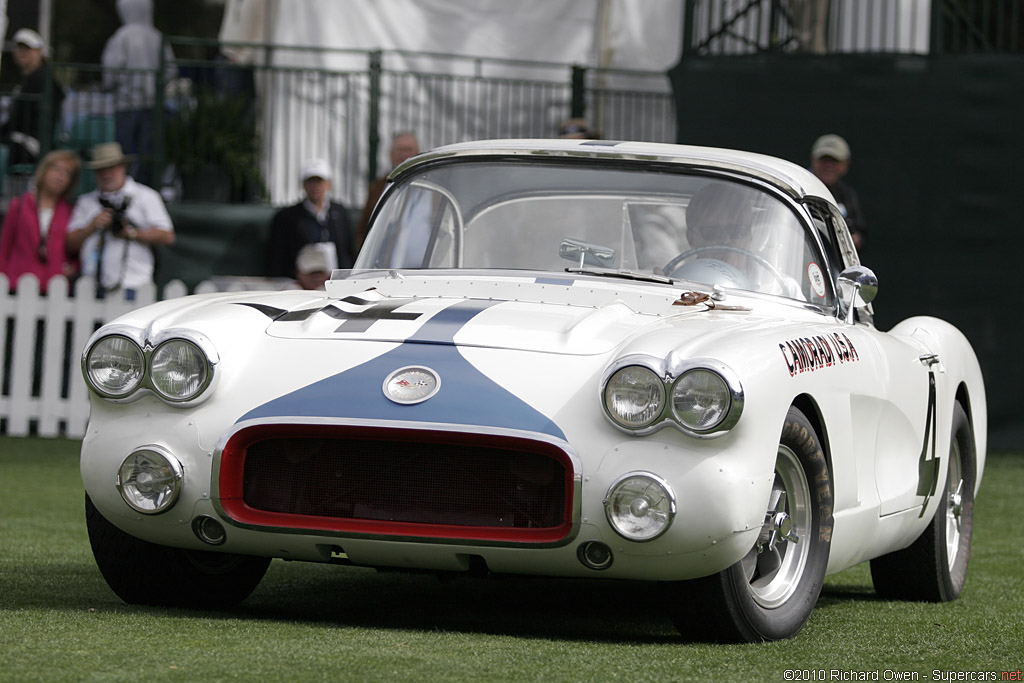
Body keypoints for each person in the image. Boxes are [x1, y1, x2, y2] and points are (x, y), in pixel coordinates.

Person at [65, 142, 175, 298]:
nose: (106, 174)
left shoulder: (145, 196)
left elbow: (167, 235)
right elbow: (70, 243)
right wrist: (92, 226)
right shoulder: (86, 202)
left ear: (123, 168)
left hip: (134, 283)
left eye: (111, 168)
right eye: (101, 170)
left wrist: (132, 233)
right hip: (91, 285)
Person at [101, 0, 177, 186]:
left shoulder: (121, 37)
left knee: (125, 153)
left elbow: (110, 74)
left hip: (127, 105)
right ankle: (146, 189)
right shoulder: (158, 37)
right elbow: (171, 70)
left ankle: (125, 189)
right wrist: (155, 86)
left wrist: (120, 84)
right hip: (153, 105)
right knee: (148, 155)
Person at [0, 149, 81, 292]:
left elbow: (75, 250)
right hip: (18, 284)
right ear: (44, 170)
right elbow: (5, 247)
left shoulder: (71, 211)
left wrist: (72, 268)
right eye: (56, 169)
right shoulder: (18, 206)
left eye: (67, 173)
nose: (60, 176)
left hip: (55, 287)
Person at [266, 159, 354, 279]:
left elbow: (347, 250)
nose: (315, 187)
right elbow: (277, 257)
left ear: (328, 184)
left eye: (319, 182)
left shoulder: (340, 213)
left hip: (336, 282)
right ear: (303, 185)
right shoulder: (287, 217)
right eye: (310, 181)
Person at [1, 29, 66, 166]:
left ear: (40, 52)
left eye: (28, 49)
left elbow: (20, 118)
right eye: (19, 48)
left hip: (31, 144)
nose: (22, 52)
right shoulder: (28, 80)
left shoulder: (43, 80)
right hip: (19, 140)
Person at [356, 132, 420, 250]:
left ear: (418, 152)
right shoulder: (377, 188)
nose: (404, 155)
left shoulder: (434, 189)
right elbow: (364, 229)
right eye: (400, 150)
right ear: (391, 155)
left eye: (408, 149)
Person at [810, 134, 866, 250]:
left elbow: (860, 234)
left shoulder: (847, 195)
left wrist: (853, 240)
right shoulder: (800, 186)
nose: (829, 166)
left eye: (834, 161)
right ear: (813, 160)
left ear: (845, 164)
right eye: (824, 160)